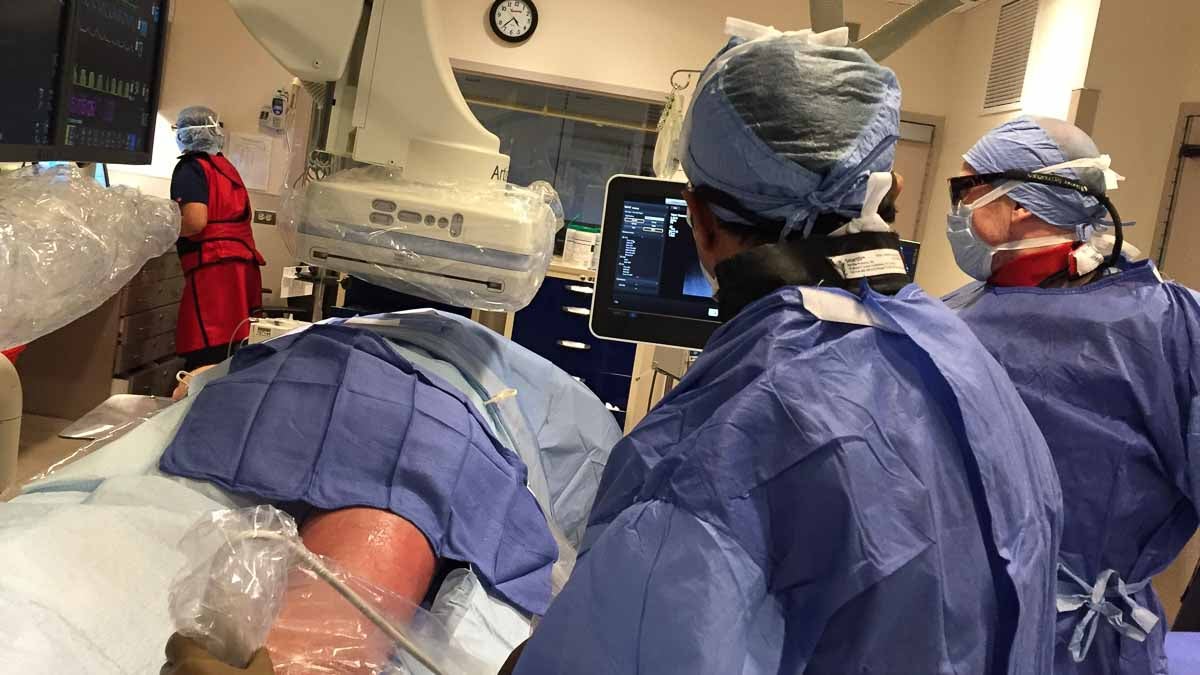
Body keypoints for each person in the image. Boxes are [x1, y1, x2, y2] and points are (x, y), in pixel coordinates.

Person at [507, 27, 1062, 674]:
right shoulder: (969, 364)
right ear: (890, 192)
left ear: (701, 222)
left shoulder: (727, 436)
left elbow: (625, 648)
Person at [943, 116, 1200, 675]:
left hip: (1085, 650)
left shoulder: (1168, 328)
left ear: (1020, 205)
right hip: (942, 628)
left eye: (964, 191)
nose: (956, 211)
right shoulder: (945, 318)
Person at [171, 106, 266, 371]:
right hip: (239, 266)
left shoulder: (190, 168)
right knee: (230, 346)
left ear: (185, 134)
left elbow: (194, 221)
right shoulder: (225, 166)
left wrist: (163, 228)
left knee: (206, 348)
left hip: (214, 271)